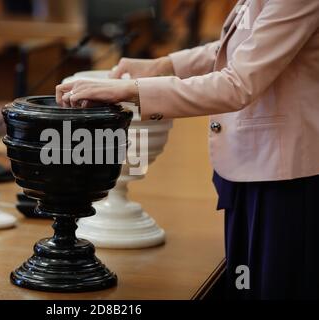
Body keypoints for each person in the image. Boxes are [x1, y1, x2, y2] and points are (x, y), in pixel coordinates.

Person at [56, 0, 319, 299]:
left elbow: (237, 83)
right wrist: (165, 65)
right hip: (255, 163)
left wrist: (134, 91)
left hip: (282, 178)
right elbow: (240, 46)